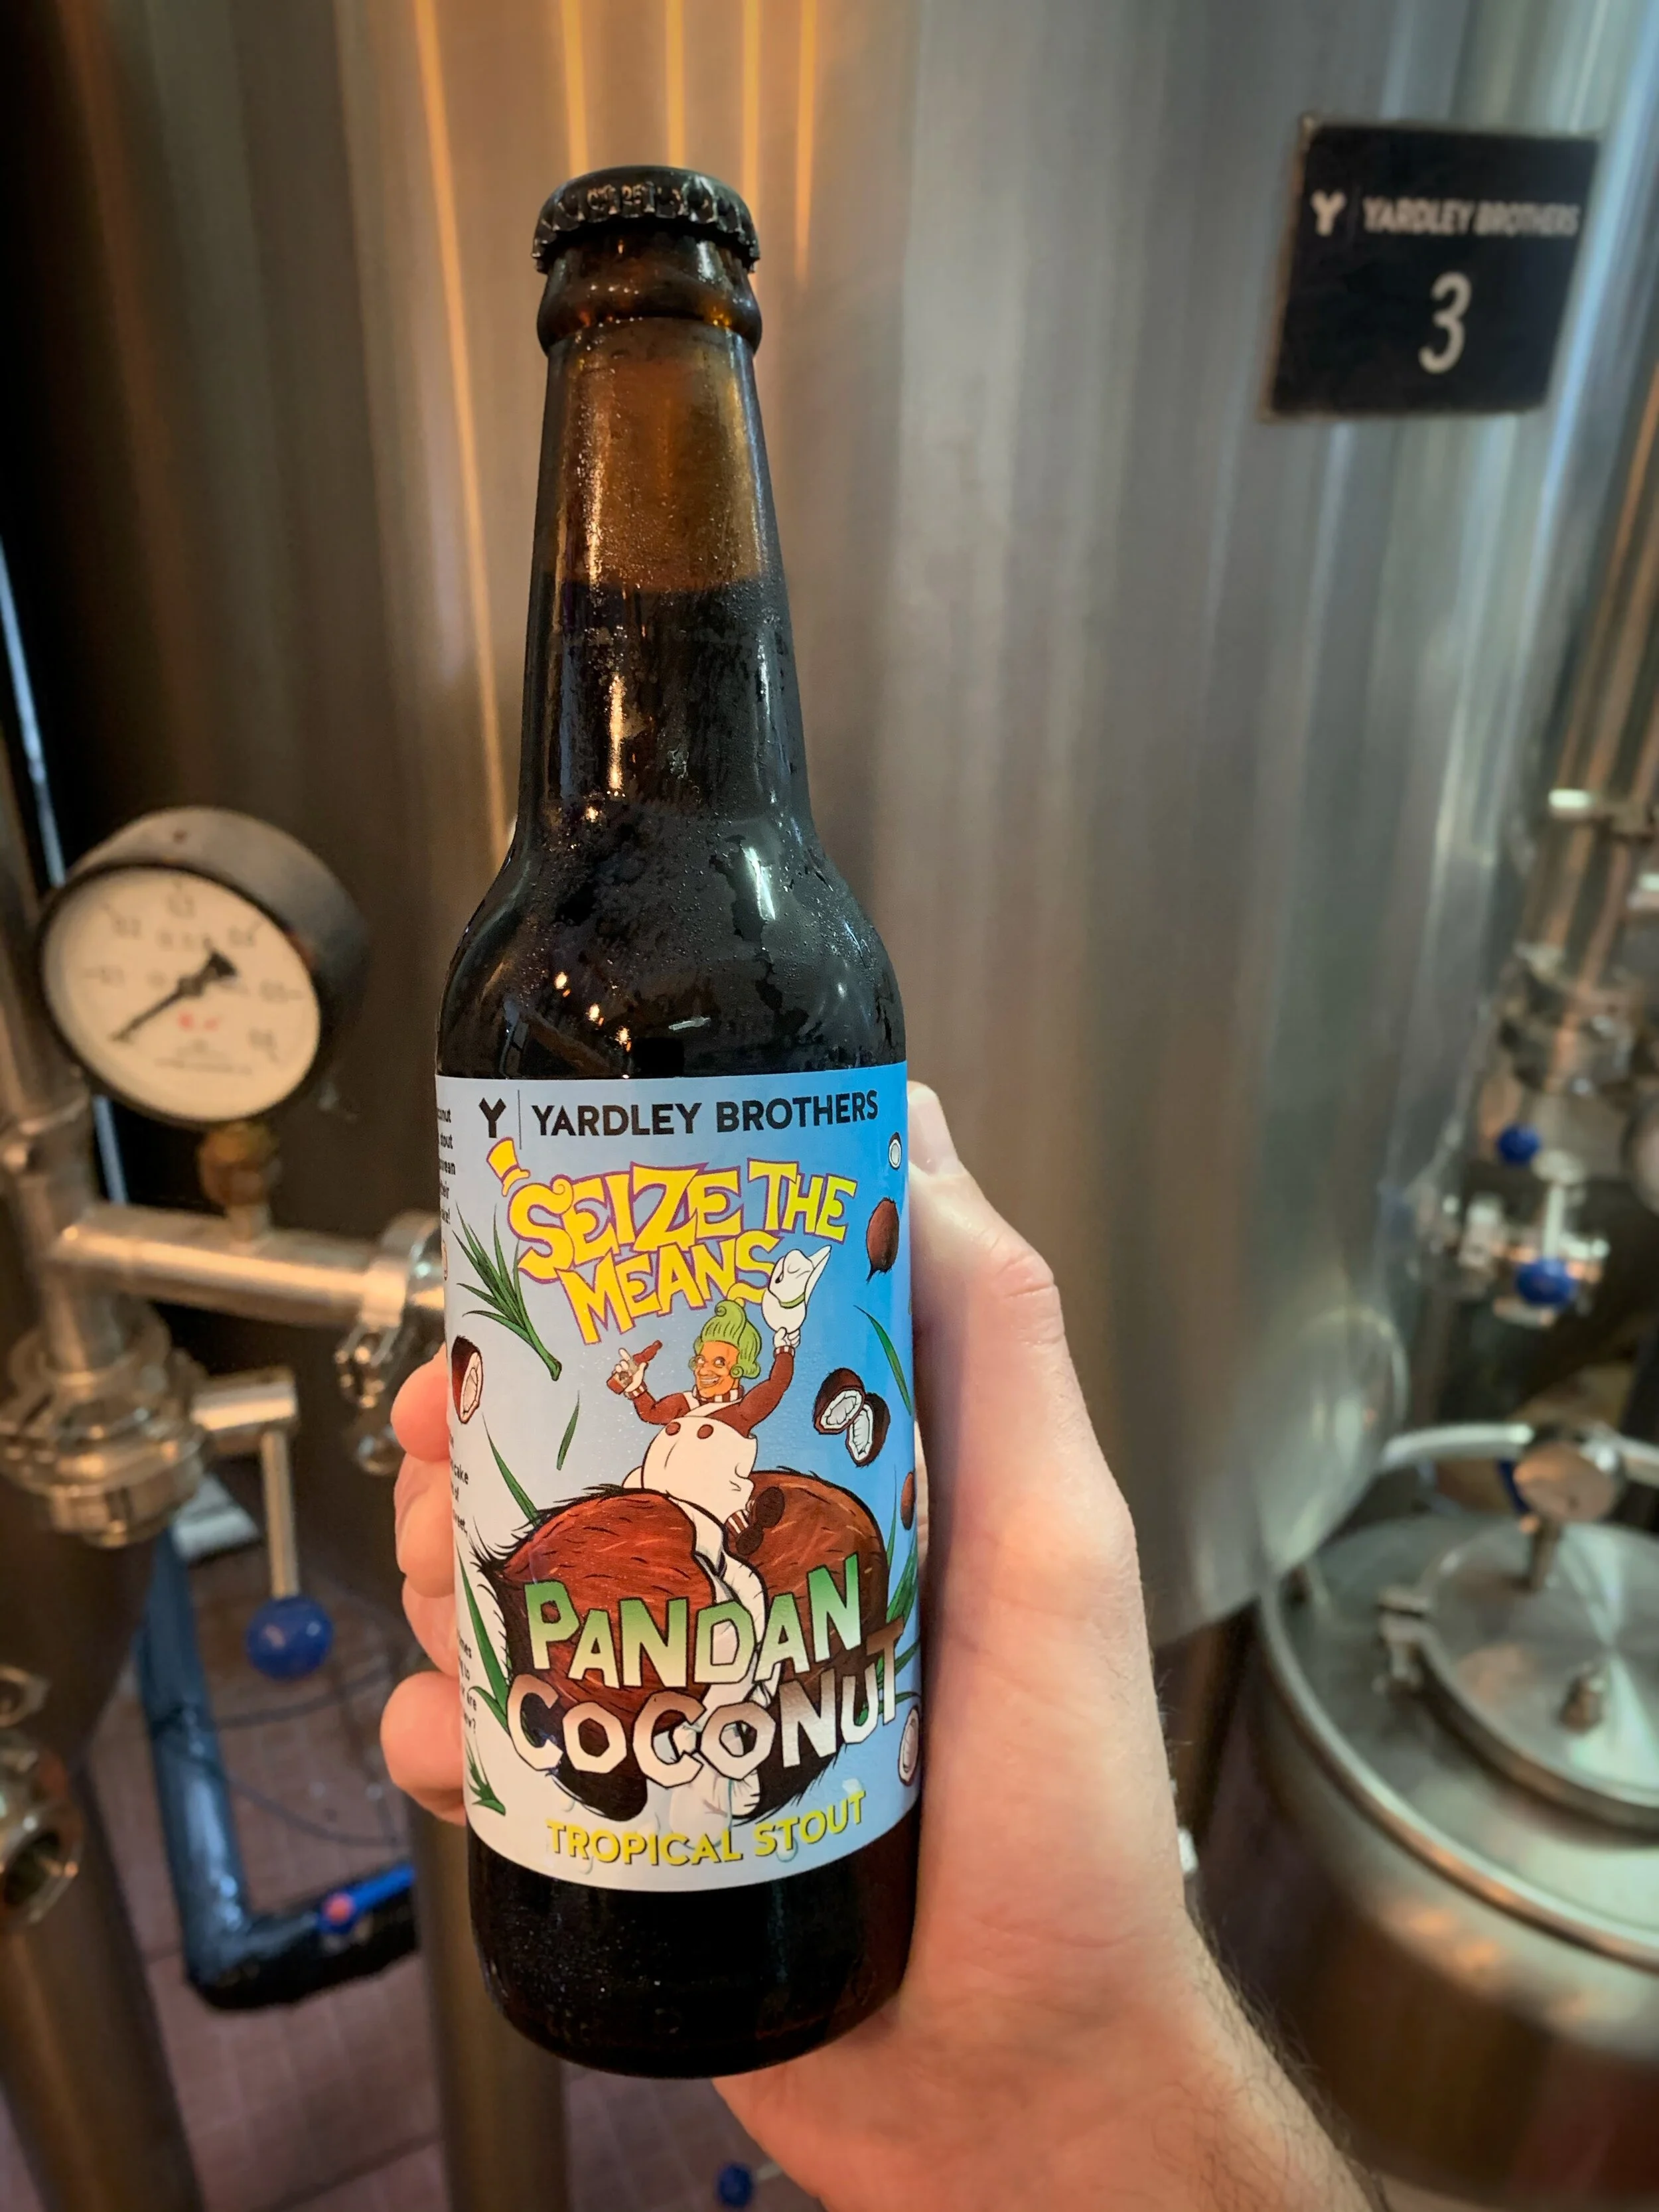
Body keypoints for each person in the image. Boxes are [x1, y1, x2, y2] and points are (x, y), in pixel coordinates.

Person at [384, 1085, 1374, 2210]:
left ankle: (732, 1695)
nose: (713, 1382)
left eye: (722, 1370)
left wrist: (785, 1318)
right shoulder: (679, 1405)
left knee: (725, 1599)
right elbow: (657, 1403)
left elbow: (770, 1380)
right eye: (710, 1371)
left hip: (757, 1651)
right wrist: (634, 1387)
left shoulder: (744, 1407)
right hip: (645, 1629)